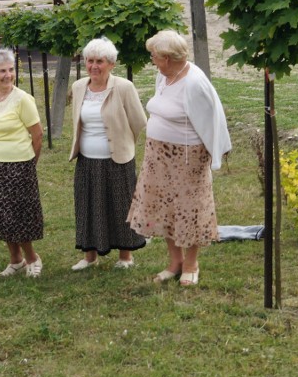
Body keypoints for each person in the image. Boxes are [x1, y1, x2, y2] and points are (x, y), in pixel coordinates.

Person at [128, 30, 231, 286]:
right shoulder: (163, 76)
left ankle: (191, 263)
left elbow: (213, 119)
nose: (151, 59)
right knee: (164, 206)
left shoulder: (194, 82)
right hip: (158, 155)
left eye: (153, 55)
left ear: (166, 57)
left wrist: (214, 156)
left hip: (187, 157)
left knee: (189, 210)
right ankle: (174, 261)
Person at [69, 38, 147, 271]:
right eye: (90, 61)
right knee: (87, 205)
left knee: (121, 206)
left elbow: (138, 122)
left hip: (117, 159)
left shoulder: (124, 87)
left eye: (99, 61)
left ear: (111, 64)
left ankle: (125, 256)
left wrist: (124, 144)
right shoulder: (79, 86)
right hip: (86, 159)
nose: (94, 66)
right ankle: (89, 255)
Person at [0, 49, 45, 278]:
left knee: (19, 215)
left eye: (11, 70)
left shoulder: (23, 99)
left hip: (19, 164)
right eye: (2, 70)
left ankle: (32, 257)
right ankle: (15, 260)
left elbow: (37, 134)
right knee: (0, 215)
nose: (8, 75)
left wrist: (29, 164)